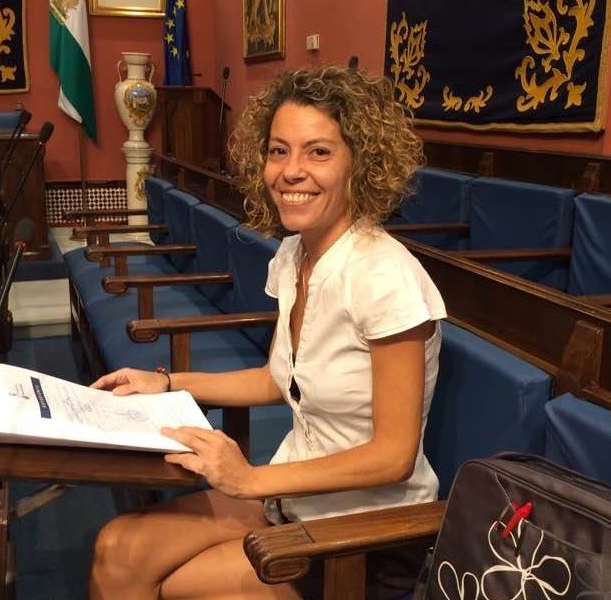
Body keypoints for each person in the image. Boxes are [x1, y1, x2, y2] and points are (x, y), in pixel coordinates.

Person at [88, 65, 446, 600]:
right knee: (118, 549)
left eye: (318, 152)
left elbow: (394, 456)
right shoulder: (294, 255)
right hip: (291, 495)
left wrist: (249, 479)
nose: (291, 171)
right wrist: (166, 382)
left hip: (367, 529)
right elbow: (277, 379)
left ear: (360, 164)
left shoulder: (384, 277)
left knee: (175, 587)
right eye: (279, 151)